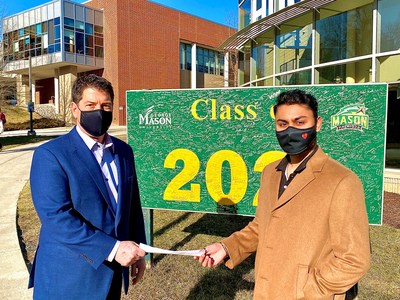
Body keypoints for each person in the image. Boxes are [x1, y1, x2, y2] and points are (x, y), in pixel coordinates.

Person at [196, 89, 371, 300]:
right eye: (282, 124)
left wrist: (313, 290)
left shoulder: (342, 181)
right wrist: (226, 247)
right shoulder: (271, 172)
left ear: (318, 124)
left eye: (299, 122)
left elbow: (353, 259)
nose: (290, 131)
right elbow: (262, 226)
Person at [29, 74, 147, 299]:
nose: (99, 112)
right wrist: (113, 249)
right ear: (75, 109)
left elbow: (131, 205)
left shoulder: (124, 151)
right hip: (69, 278)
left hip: (112, 275)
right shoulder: (50, 155)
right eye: (90, 105)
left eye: (106, 105)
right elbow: (57, 218)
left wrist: (140, 251)